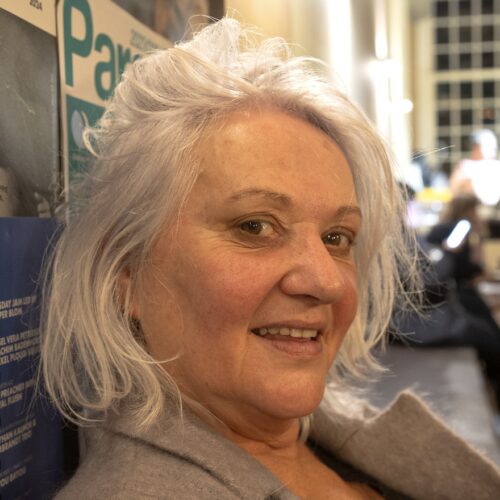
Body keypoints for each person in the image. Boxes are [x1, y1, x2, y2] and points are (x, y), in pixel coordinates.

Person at [40, 18, 500, 499]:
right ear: (126, 275)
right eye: (255, 227)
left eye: (337, 237)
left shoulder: (327, 436)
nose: (327, 281)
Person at [449, 129, 500, 206]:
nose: (473, 149)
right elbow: (453, 188)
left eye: (476, 146)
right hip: (470, 207)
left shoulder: (496, 166)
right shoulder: (465, 165)